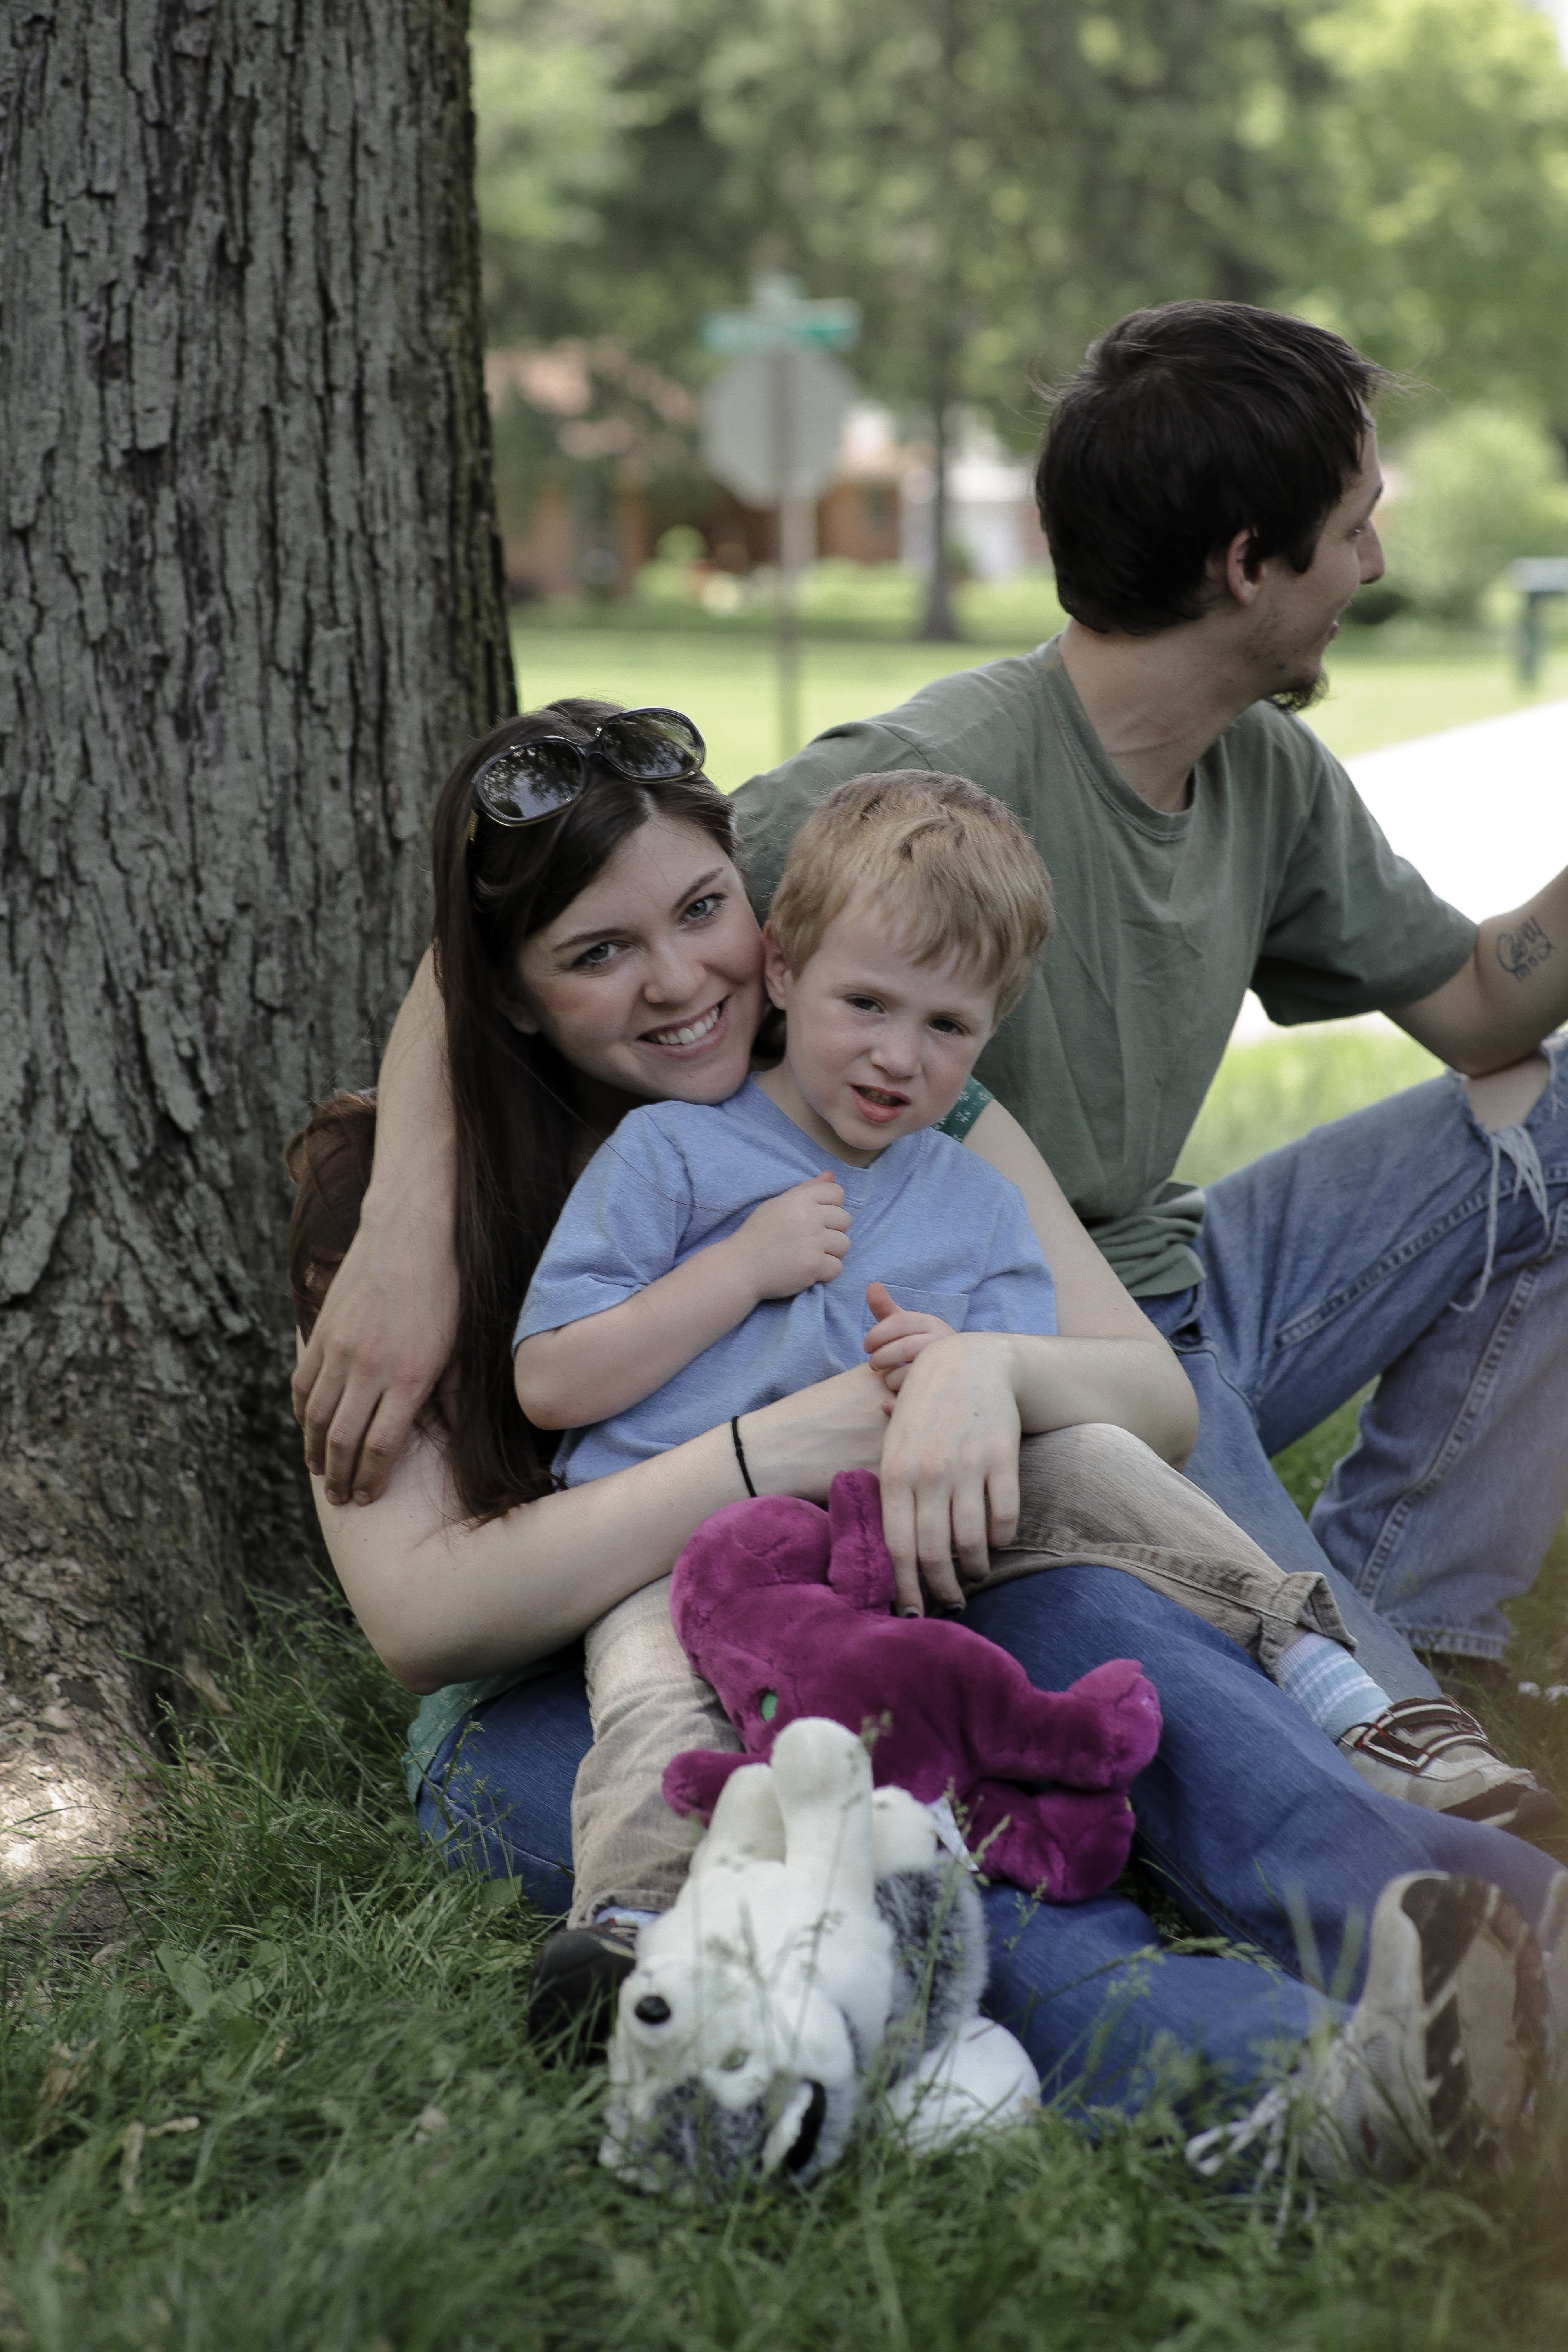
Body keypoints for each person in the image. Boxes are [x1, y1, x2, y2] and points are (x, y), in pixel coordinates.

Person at [291, 698, 1567, 2184]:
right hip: (574, 1690)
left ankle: (1513, 1945)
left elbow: (1147, 1400)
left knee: (1135, 1667)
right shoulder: (391, 1209)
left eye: (704, 911)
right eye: (597, 954)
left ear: (765, 920)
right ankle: (1302, 2085)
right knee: (890, 1821)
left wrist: (989, 1375)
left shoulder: (880, 1085)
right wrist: (770, 1452)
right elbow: (425, 1616)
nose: (683, 980)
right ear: (509, 995)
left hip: (891, 1556)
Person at [722, 300, 1568, 1684]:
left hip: (1189, 1299)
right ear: (1249, 564)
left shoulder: (1266, 773)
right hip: (1023, 1356)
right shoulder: (926, 777)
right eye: (1354, 525)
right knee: (1368, 1736)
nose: (1371, 560)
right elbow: (568, 905)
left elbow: (1482, 1008)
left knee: (1563, 1114)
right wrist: (400, 1213)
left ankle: (1423, 1614)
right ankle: (1384, 1681)